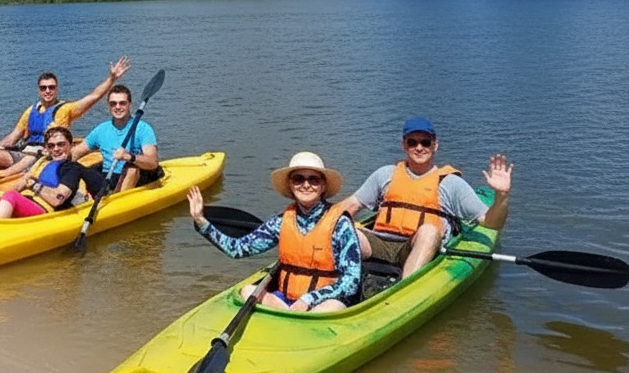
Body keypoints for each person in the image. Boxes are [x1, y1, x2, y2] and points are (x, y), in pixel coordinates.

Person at [338, 117, 514, 278]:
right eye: (412, 142)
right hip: (379, 242)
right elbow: (352, 204)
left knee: (429, 231)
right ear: (404, 145)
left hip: (417, 247)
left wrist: (502, 195)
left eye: (425, 142)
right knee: (344, 228)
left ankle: (404, 288)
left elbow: (492, 223)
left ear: (435, 145)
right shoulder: (385, 175)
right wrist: (327, 223)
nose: (419, 147)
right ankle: (337, 280)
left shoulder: (451, 184)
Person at [187, 151, 361, 312]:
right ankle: (288, 319)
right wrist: (202, 222)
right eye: (298, 179)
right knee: (247, 291)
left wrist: (309, 299)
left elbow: (352, 281)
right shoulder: (280, 222)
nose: (306, 185)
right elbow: (237, 249)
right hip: (286, 301)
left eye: (313, 180)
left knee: (333, 306)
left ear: (323, 186)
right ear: (290, 185)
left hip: (323, 303)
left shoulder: (341, 224)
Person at [0, 56, 131, 169]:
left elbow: (93, 97)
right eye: (43, 88)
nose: (47, 91)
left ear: (57, 89)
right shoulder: (30, 111)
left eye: (51, 87)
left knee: (2, 159)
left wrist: (111, 78)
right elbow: (12, 138)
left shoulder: (66, 109)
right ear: (38, 90)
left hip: (45, 156)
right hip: (25, 152)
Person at [0, 125, 105, 219]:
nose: (56, 149)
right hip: (26, 202)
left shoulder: (72, 168)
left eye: (61, 144)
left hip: (45, 211)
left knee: (11, 196)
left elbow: (58, 199)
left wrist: (32, 184)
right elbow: (19, 186)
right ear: (47, 148)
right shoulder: (43, 161)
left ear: (71, 145)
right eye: (51, 146)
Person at [70, 82, 159, 192]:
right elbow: (76, 153)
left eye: (122, 103)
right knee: (75, 168)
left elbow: (152, 162)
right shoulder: (101, 129)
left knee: (132, 169)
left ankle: (120, 199)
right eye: (113, 103)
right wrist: (58, 157)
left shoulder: (143, 129)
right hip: (108, 176)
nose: (117, 107)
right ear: (109, 106)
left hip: (133, 177)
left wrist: (129, 157)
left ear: (130, 105)